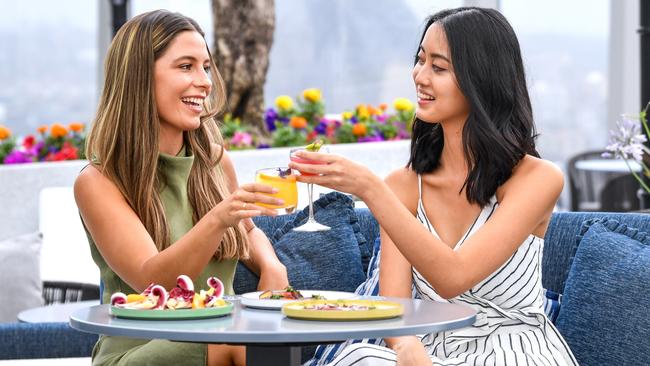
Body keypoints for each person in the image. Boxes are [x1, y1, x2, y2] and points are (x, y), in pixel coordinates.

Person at [289, 7, 578, 366]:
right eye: (420, 60)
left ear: (481, 81)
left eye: (438, 68)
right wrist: (406, 348)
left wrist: (370, 189)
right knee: (360, 356)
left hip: (513, 349)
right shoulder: (404, 186)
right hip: (428, 350)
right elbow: (397, 309)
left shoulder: (537, 178)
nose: (419, 76)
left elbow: (452, 278)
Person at [74, 10, 288, 366]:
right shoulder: (98, 182)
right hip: (138, 350)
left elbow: (248, 232)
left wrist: (271, 265)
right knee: (246, 343)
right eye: (186, 66)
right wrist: (218, 218)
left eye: (205, 67)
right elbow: (150, 279)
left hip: (225, 335)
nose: (204, 81)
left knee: (262, 340)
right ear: (139, 77)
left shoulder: (215, 162)